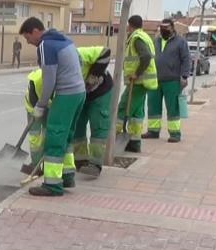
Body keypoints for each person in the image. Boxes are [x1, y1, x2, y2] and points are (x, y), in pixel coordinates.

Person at [19, 17, 86, 197]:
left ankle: (52, 185)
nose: (29, 42)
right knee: (67, 137)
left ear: (35, 31)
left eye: (27, 38)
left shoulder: (45, 45)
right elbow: (80, 63)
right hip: (79, 92)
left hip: (66, 95)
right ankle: (67, 176)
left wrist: (41, 104)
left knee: (55, 137)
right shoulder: (65, 40)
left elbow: (49, 79)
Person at [143, 18, 191, 143]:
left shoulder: (181, 42)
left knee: (173, 107)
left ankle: (175, 134)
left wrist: (184, 76)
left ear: (172, 28)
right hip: (155, 80)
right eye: (162, 28)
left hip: (173, 81)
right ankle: (153, 131)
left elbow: (186, 59)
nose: (164, 30)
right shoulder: (156, 41)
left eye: (166, 28)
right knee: (153, 106)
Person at [117, 15, 158, 153]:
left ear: (130, 25)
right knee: (136, 114)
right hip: (142, 82)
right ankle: (134, 142)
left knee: (122, 108)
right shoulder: (145, 36)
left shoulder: (136, 38)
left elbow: (145, 56)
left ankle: (115, 138)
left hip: (138, 81)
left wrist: (137, 73)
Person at [74, 46, 113, 177]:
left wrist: (93, 75)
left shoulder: (81, 54)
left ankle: (96, 164)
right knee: (77, 124)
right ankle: (80, 160)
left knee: (98, 124)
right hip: (81, 93)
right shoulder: (58, 67)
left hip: (100, 91)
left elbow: (106, 52)